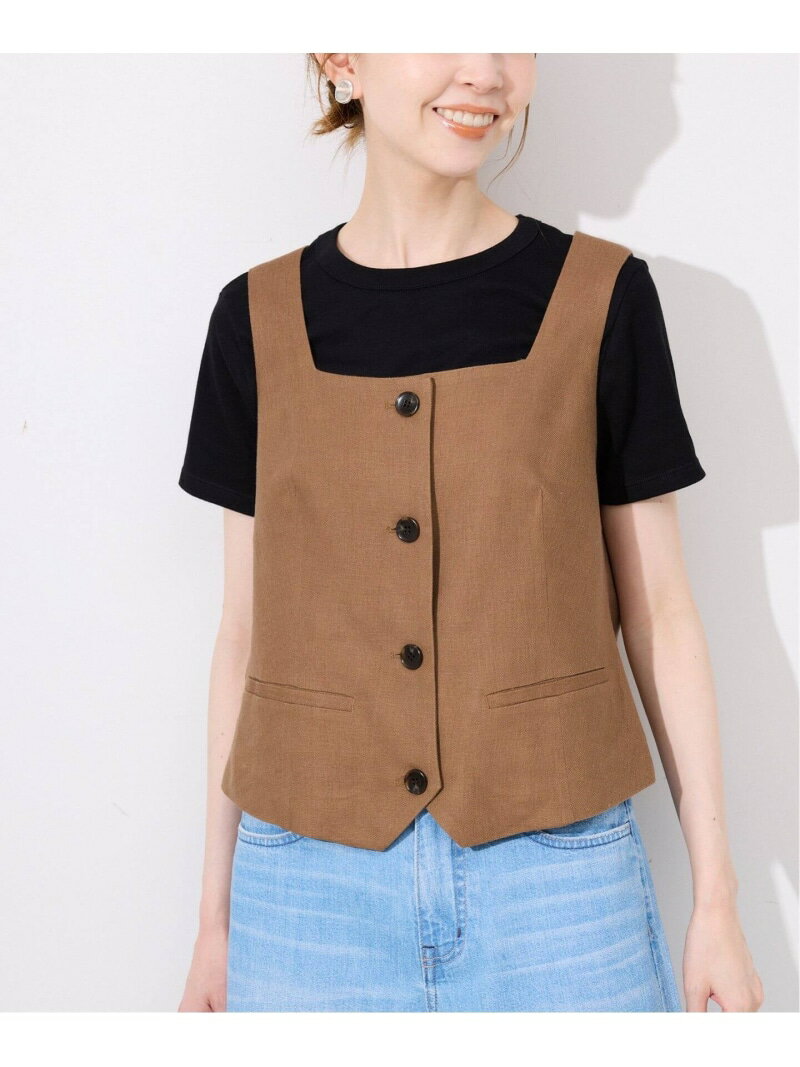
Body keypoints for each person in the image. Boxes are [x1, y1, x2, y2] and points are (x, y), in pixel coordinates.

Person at [177, 53, 763, 1012]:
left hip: (561, 886)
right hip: (306, 895)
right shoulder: (254, 319)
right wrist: (215, 921)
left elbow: (660, 610)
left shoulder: (604, 297)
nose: (485, 70)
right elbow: (243, 633)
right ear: (340, 57)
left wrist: (718, 899)